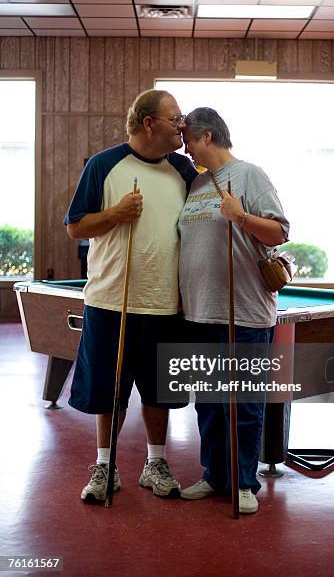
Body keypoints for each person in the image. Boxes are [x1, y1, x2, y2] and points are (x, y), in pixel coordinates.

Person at [64, 89, 196, 503]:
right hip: (109, 301)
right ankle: (106, 465)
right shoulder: (105, 164)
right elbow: (76, 226)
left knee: (161, 392)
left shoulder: (184, 170)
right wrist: (117, 214)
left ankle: (155, 463)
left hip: (166, 302)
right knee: (109, 389)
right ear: (148, 123)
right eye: (175, 118)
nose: (182, 125)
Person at [178, 107, 289, 514]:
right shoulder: (197, 182)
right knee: (207, 401)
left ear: (207, 136)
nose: (186, 148)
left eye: (188, 140)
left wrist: (240, 216)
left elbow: (280, 231)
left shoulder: (249, 175)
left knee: (243, 402)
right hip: (200, 313)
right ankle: (215, 476)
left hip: (243, 312)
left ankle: (244, 482)